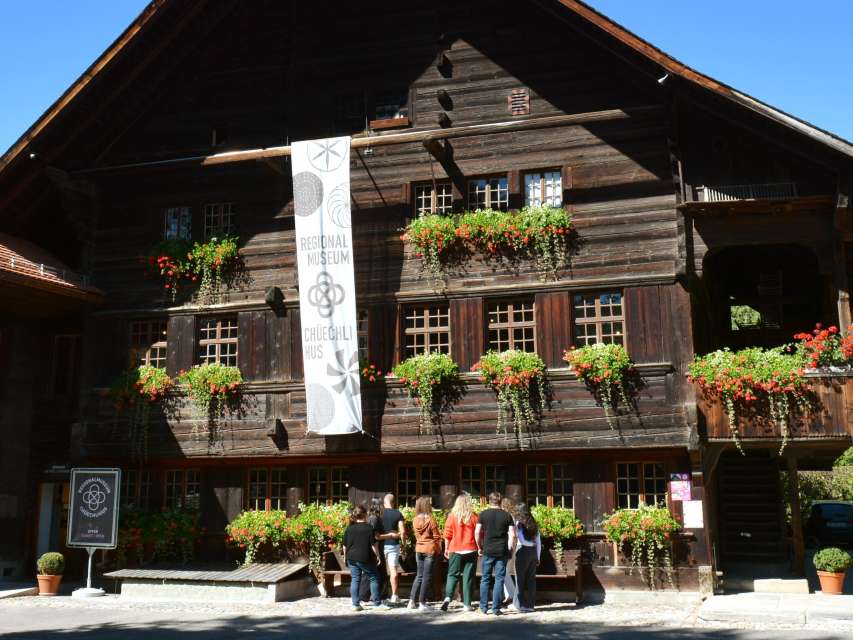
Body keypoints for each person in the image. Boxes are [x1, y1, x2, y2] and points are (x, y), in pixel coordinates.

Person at [475, 491, 516, 615]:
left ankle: (483, 607)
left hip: (487, 550)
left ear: (489, 500)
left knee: (485, 578)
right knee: (499, 579)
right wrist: (510, 549)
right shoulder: (507, 516)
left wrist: (479, 546)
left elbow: (477, 532)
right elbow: (513, 535)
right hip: (501, 551)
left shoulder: (483, 514)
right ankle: (496, 608)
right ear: (500, 501)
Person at [343, 504, 389, 612]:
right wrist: (378, 556)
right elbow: (374, 545)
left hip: (351, 558)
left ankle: (355, 604)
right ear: (365, 514)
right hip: (364, 558)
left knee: (355, 579)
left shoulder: (349, 528)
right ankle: (377, 604)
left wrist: (345, 557)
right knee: (374, 577)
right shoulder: (369, 528)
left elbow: (344, 545)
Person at [440, 493, 479, 612]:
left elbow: (447, 535)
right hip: (471, 548)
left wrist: (446, 549)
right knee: (468, 577)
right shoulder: (474, 517)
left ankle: (448, 598)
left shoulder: (452, 516)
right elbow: (479, 533)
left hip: (455, 549)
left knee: (452, 575)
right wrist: (479, 546)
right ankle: (467, 604)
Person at [408, 496, 442, 611]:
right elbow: (437, 537)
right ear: (427, 505)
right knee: (427, 576)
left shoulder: (414, 520)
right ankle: (422, 603)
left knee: (419, 575)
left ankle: (411, 601)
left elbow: (417, 536)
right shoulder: (431, 520)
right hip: (429, 549)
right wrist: (439, 549)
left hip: (419, 549)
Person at [512, 503, 541, 613]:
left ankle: (519, 604)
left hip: (523, 551)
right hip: (533, 551)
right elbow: (538, 541)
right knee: (531, 580)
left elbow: (519, 538)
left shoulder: (519, 524)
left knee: (520, 579)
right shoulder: (534, 523)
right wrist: (538, 557)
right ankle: (530, 605)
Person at [359, 497, 387, 604]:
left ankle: (376, 596)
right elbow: (376, 536)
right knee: (371, 574)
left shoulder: (371, 518)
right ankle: (364, 596)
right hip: (375, 547)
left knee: (374, 573)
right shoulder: (374, 518)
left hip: (374, 547)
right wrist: (391, 535)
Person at [381, 493, 406, 603]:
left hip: (380, 544)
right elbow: (403, 531)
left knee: (379, 570)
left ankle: (379, 594)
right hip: (393, 544)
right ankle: (394, 595)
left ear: (385, 503)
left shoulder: (380, 514)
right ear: (393, 502)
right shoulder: (398, 514)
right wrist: (404, 544)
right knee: (393, 570)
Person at [500, 497, 518, 608]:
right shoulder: (513, 516)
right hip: (511, 543)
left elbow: (511, 533)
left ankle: (511, 594)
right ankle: (509, 595)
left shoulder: (507, 516)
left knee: (503, 571)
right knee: (504, 570)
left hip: (507, 544)